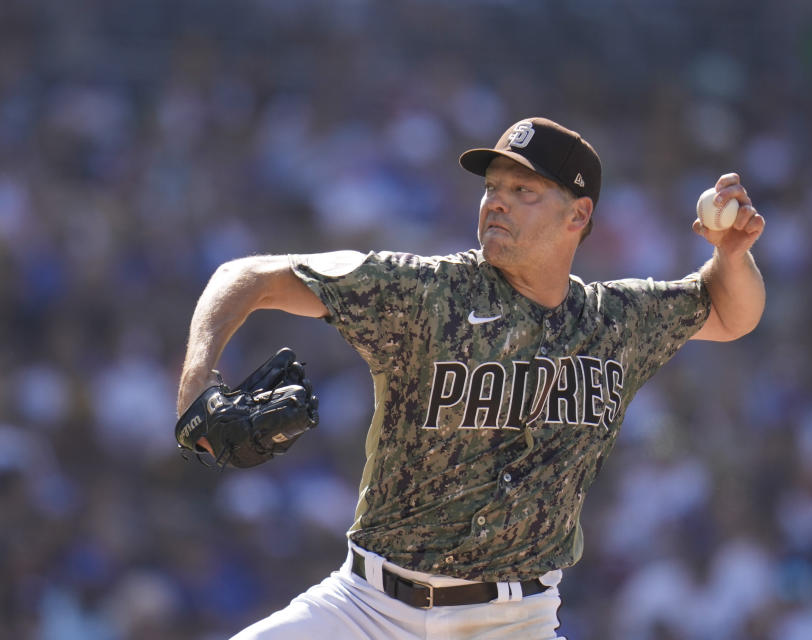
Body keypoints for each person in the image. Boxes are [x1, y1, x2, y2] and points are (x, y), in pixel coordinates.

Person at [176, 117, 766, 639]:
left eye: (523, 190)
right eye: (492, 187)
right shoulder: (426, 292)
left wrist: (731, 255)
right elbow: (248, 274)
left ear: (578, 214)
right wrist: (197, 389)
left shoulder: (613, 322)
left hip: (517, 623)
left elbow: (731, 312)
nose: (496, 202)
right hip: (370, 610)